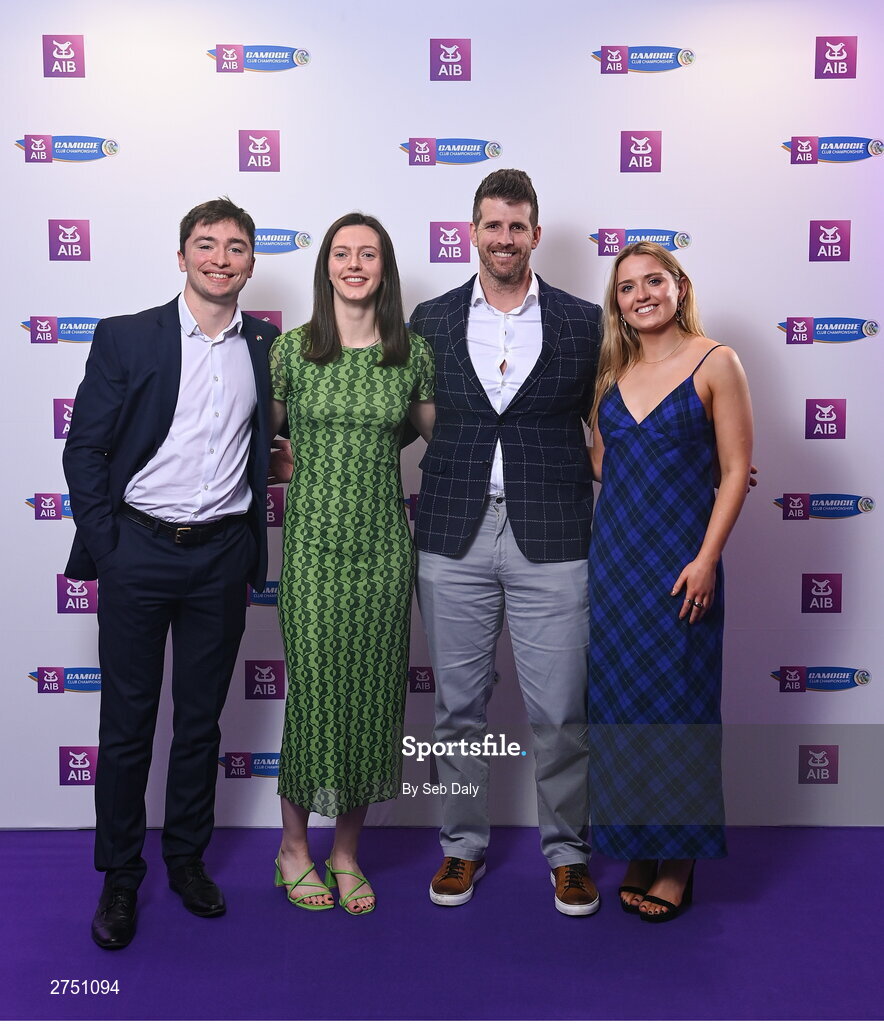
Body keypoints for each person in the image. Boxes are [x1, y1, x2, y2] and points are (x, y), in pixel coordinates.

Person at [63, 198, 278, 949]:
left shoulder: (266, 346)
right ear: (181, 255)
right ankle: (120, 878)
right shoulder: (128, 338)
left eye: (237, 247)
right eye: (206, 244)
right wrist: (111, 546)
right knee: (126, 729)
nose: (222, 258)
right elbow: (84, 451)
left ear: (252, 262)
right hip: (139, 551)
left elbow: (269, 445)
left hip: (220, 556)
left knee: (198, 725)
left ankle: (186, 859)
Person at [410, 169, 604, 915]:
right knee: (458, 708)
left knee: (560, 710)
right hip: (453, 531)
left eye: (517, 226)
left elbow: (613, 419)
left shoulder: (584, 320)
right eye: (492, 225)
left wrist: (702, 468)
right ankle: (461, 847)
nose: (504, 238)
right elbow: (407, 414)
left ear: (535, 233)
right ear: (472, 232)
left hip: (553, 534)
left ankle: (568, 853)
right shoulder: (428, 319)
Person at [269, 213, 434, 914]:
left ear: (385, 269)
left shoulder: (412, 354)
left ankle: (345, 854)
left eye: (368, 254)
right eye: (342, 253)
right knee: (313, 696)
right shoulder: (290, 351)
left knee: (371, 697)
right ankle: (293, 849)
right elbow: (246, 435)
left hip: (382, 552)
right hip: (309, 549)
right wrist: (271, 464)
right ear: (326, 266)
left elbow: (453, 446)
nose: (355, 264)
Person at [587, 241, 753, 922]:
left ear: (679, 286)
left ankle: (677, 862)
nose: (641, 294)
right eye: (627, 287)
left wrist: (707, 557)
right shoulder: (611, 374)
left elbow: (739, 468)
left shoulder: (718, 361)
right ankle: (636, 848)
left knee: (679, 708)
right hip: (617, 567)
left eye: (653, 281)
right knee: (621, 709)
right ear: (618, 303)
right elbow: (604, 467)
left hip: (683, 566)